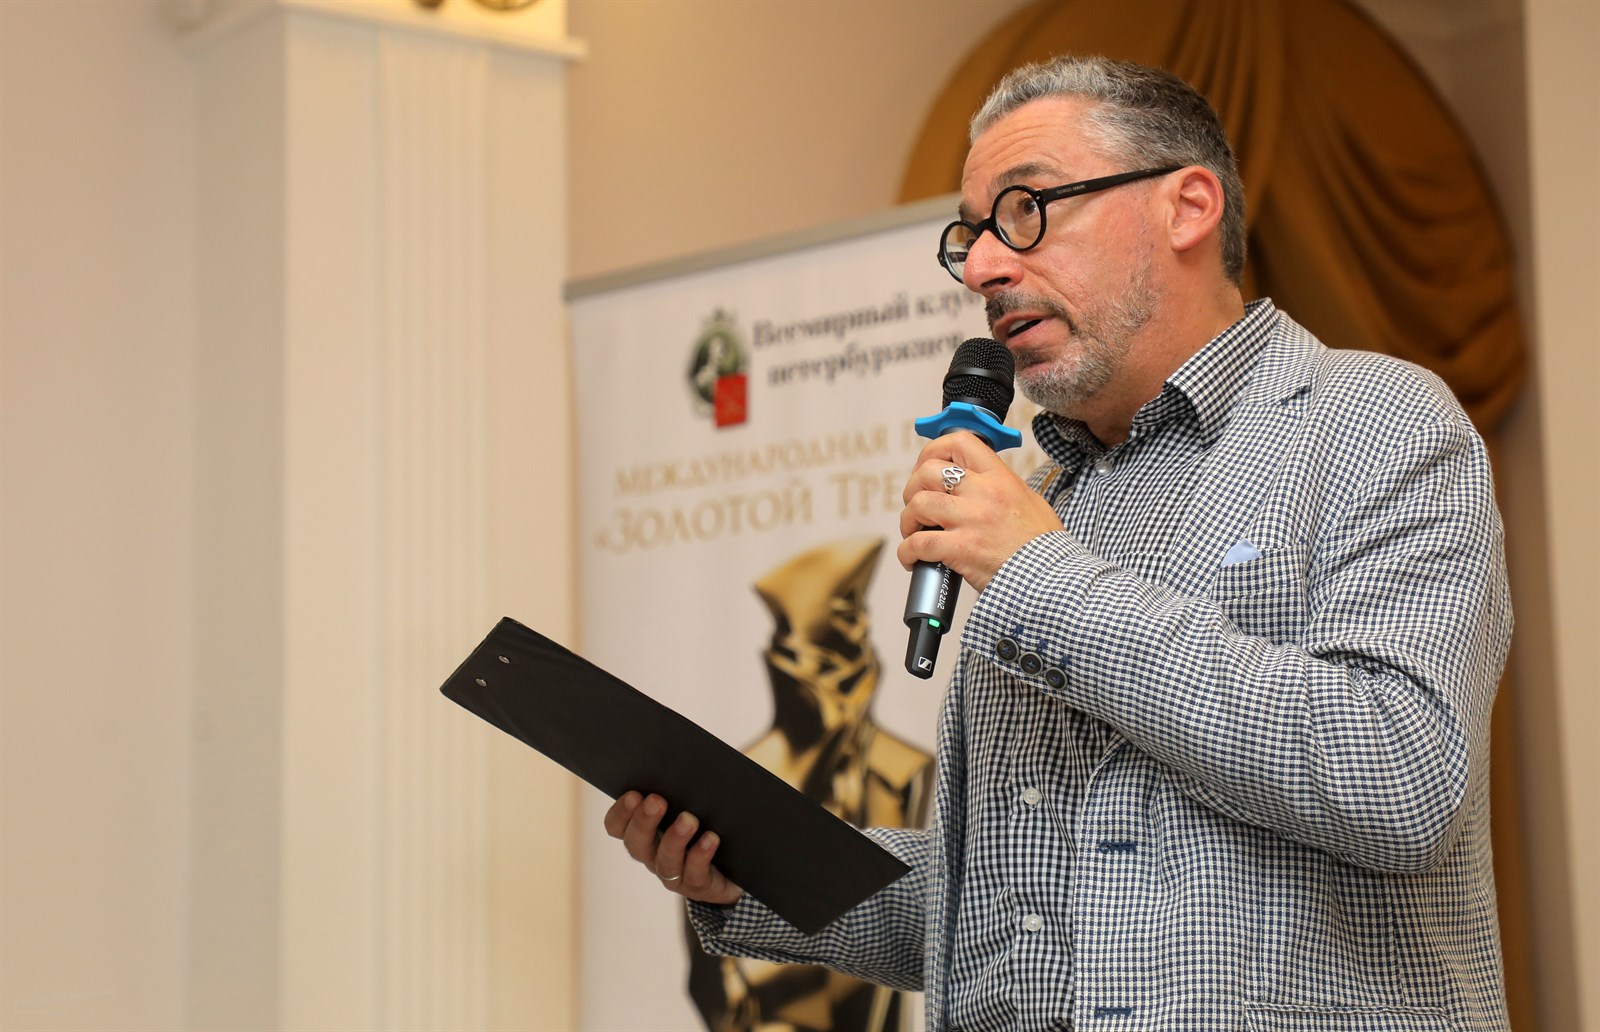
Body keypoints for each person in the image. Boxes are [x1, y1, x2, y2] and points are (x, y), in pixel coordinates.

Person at [606, 55, 1512, 1031]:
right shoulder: (1046, 500)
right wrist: (752, 868)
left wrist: (1040, 578)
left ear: (1187, 207)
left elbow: (1399, 776)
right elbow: (1005, 904)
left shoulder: (1374, 421)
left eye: (1026, 210)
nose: (984, 268)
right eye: (972, 235)